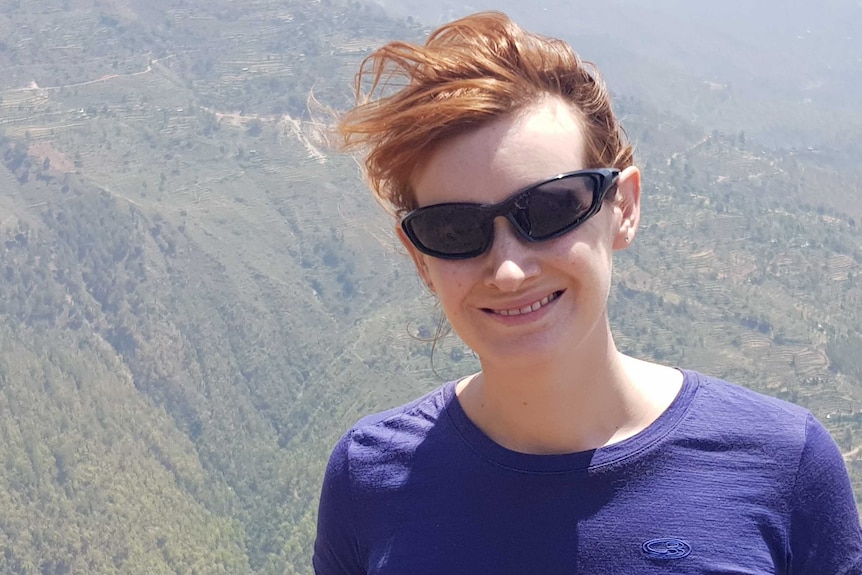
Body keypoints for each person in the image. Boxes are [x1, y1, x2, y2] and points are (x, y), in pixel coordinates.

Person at [313, 11, 862, 575]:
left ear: (622, 209)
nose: (507, 270)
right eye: (454, 230)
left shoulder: (783, 466)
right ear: (421, 259)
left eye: (551, 209)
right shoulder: (369, 480)